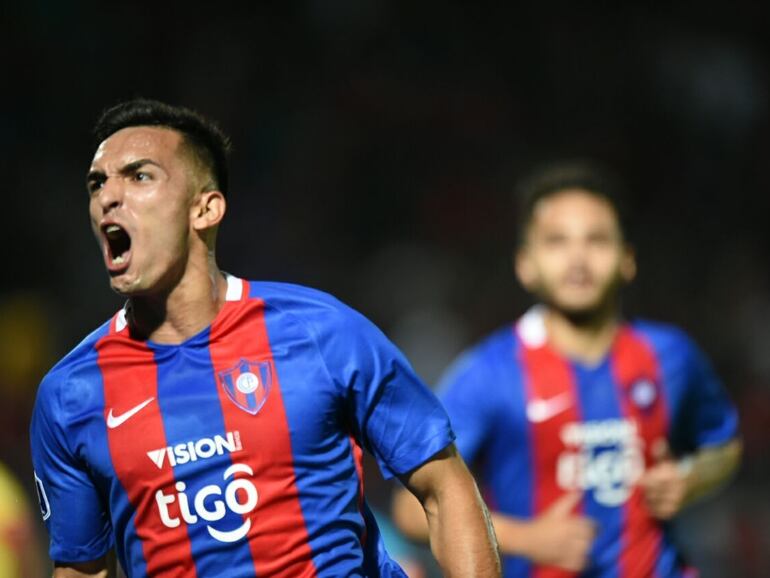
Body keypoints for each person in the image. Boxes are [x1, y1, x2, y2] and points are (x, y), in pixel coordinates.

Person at [30, 99, 500, 578]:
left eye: (139, 176)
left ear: (205, 209)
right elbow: (82, 569)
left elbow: (445, 487)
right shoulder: (71, 394)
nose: (108, 196)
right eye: (97, 182)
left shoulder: (320, 332)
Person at [392, 162, 742, 577]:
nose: (578, 258)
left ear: (627, 259)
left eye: (597, 239)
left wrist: (691, 479)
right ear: (525, 264)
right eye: (557, 241)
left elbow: (724, 445)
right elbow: (409, 510)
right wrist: (526, 538)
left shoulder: (671, 356)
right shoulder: (489, 373)